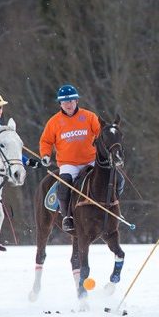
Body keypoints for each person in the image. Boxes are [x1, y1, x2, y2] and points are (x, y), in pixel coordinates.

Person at [39, 84, 102, 232]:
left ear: (77, 101)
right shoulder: (54, 122)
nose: (69, 104)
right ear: (60, 103)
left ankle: (112, 208)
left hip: (91, 160)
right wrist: (45, 155)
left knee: (109, 177)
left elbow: (101, 132)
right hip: (69, 163)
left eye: (72, 101)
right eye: (65, 102)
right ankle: (67, 217)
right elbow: (46, 141)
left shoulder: (89, 116)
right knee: (65, 183)